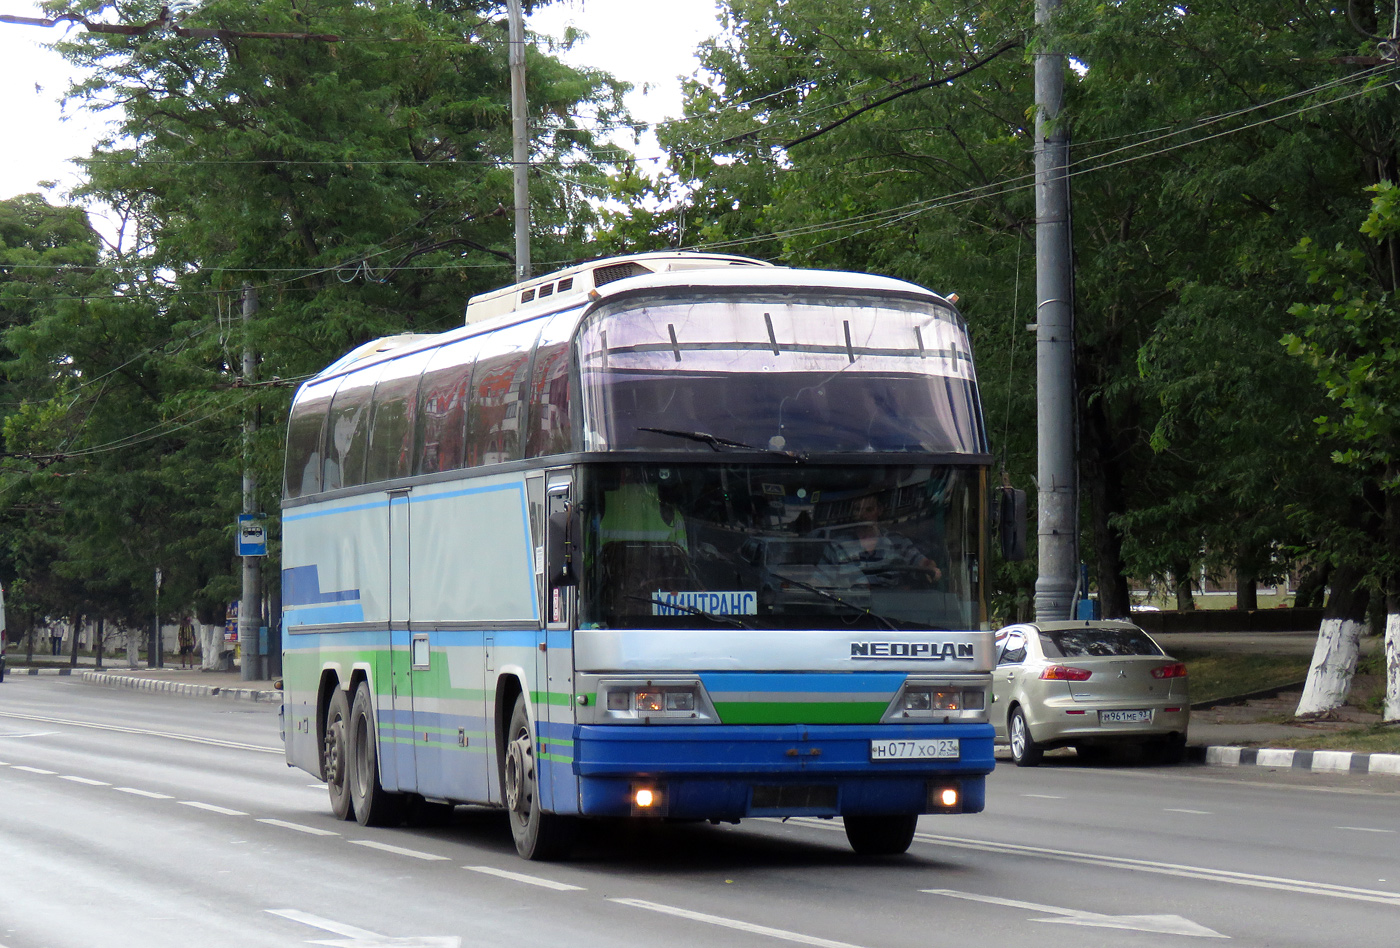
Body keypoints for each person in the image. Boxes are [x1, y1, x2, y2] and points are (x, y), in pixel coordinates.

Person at [822, 493, 942, 586]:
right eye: (857, 509)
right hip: (850, 606)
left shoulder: (896, 542)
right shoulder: (837, 545)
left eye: (869, 510)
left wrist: (930, 567)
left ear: (879, 510)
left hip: (890, 607)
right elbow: (820, 581)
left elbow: (922, 563)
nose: (862, 515)